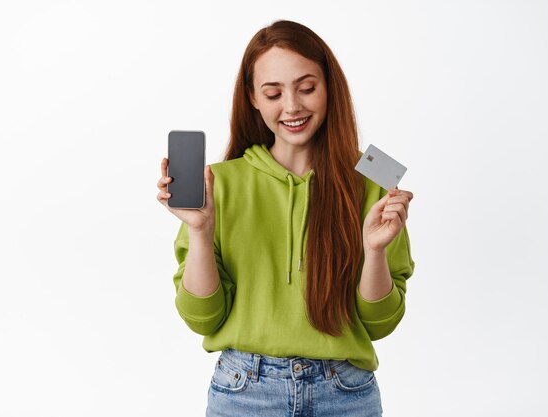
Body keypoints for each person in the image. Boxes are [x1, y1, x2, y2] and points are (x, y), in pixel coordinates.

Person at [156, 19, 414, 417]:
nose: (292, 106)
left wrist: (375, 252)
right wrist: (201, 231)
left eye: (307, 88)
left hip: (345, 393)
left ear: (330, 87)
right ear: (253, 99)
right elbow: (202, 318)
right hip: (244, 393)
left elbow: (379, 324)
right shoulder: (217, 185)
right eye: (273, 93)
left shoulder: (374, 181)